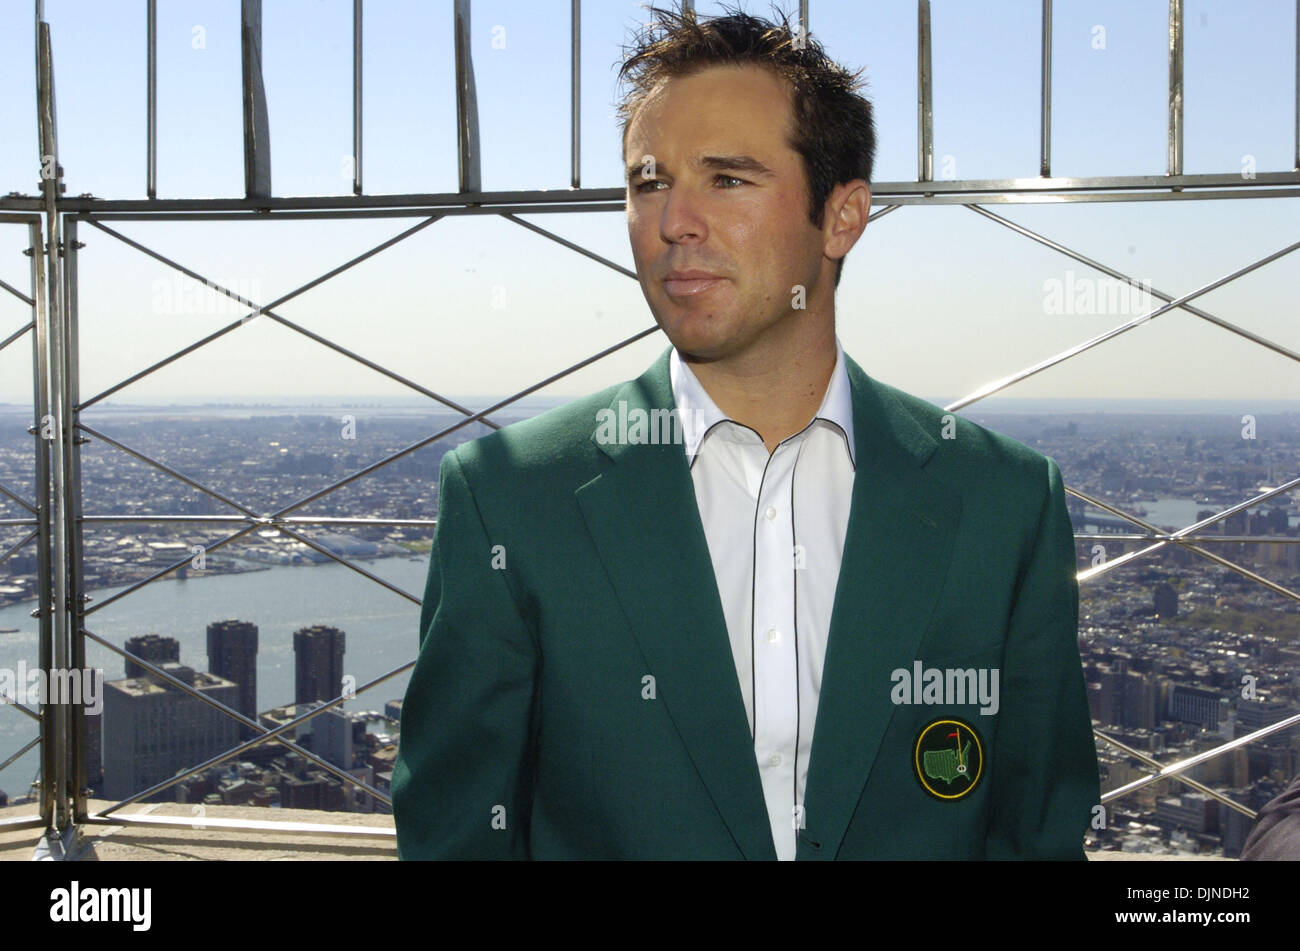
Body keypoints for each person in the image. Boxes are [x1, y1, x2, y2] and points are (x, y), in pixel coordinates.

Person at [392, 3, 1100, 860]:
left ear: (842, 217)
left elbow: (1037, 831)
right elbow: (456, 833)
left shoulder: (1006, 503)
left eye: (727, 179)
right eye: (650, 182)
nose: (673, 222)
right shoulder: (508, 496)